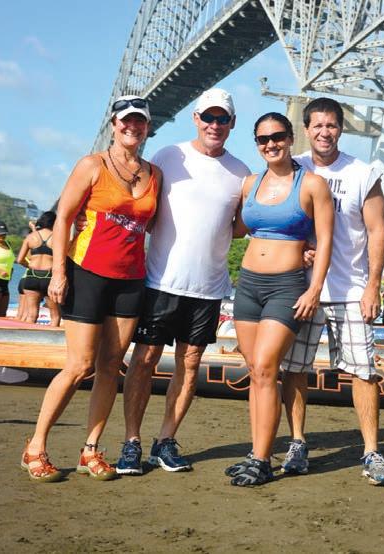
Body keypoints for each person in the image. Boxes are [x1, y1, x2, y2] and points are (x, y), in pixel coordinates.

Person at [227, 97, 384, 486]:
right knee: (293, 369)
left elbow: (378, 231)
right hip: (298, 288)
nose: (324, 132)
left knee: (362, 370)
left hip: (349, 287)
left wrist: (374, 285)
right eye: (317, 125)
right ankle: (297, 443)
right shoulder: (291, 166)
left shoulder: (361, 173)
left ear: (341, 129)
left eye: (331, 125)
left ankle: (372, 451)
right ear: (305, 130)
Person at [21, 95, 161, 482]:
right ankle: (35, 446)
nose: (132, 127)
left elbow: (151, 224)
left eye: (140, 121)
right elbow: (64, 217)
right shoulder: (92, 165)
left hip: (131, 279)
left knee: (110, 366)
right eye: (126, 120)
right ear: (114, 125)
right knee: (80, 365)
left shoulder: (154, 173)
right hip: (87, 273)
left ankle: (91, 449)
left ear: (147, 127)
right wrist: (59, 273)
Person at [115, 88, 251, 476]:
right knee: (144, 360)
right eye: (208, 117)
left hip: (208, 288)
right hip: (160, 281)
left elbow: (241, 227)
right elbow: (139, 209)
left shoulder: (241, 173)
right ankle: (131, 442)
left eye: (222, 118)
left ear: (232, 123)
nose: (214, 124)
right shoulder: (167, 156)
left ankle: (165, 441)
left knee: (189, 365)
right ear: (195, 118)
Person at [227, 112, 333, 486]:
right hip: (247, 286)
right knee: (256, 371)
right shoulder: (250, 184)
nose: (270, 144)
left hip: (286, 287)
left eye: (277, 137)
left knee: (267, 367)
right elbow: (236, 228)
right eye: (262, 139)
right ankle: (257, 452)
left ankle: (261, 459)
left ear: (290, 138)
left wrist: (313, 290)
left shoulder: (313, 185)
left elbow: (326, 242)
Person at [16, 211, 61, 326]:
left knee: (31, 315)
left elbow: (19, 259)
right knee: (55, 315)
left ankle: (27, 336)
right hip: (49, 277)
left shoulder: (30, 237)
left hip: (32, 275)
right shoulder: (57, 238)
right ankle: (52, 337)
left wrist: (29, 266)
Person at [0, 220, 15, 317]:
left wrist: (11, 271)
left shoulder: (8, 244)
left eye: (4, 234)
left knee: (2, 314)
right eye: (0, 234)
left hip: (5, 282)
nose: (2, 236)